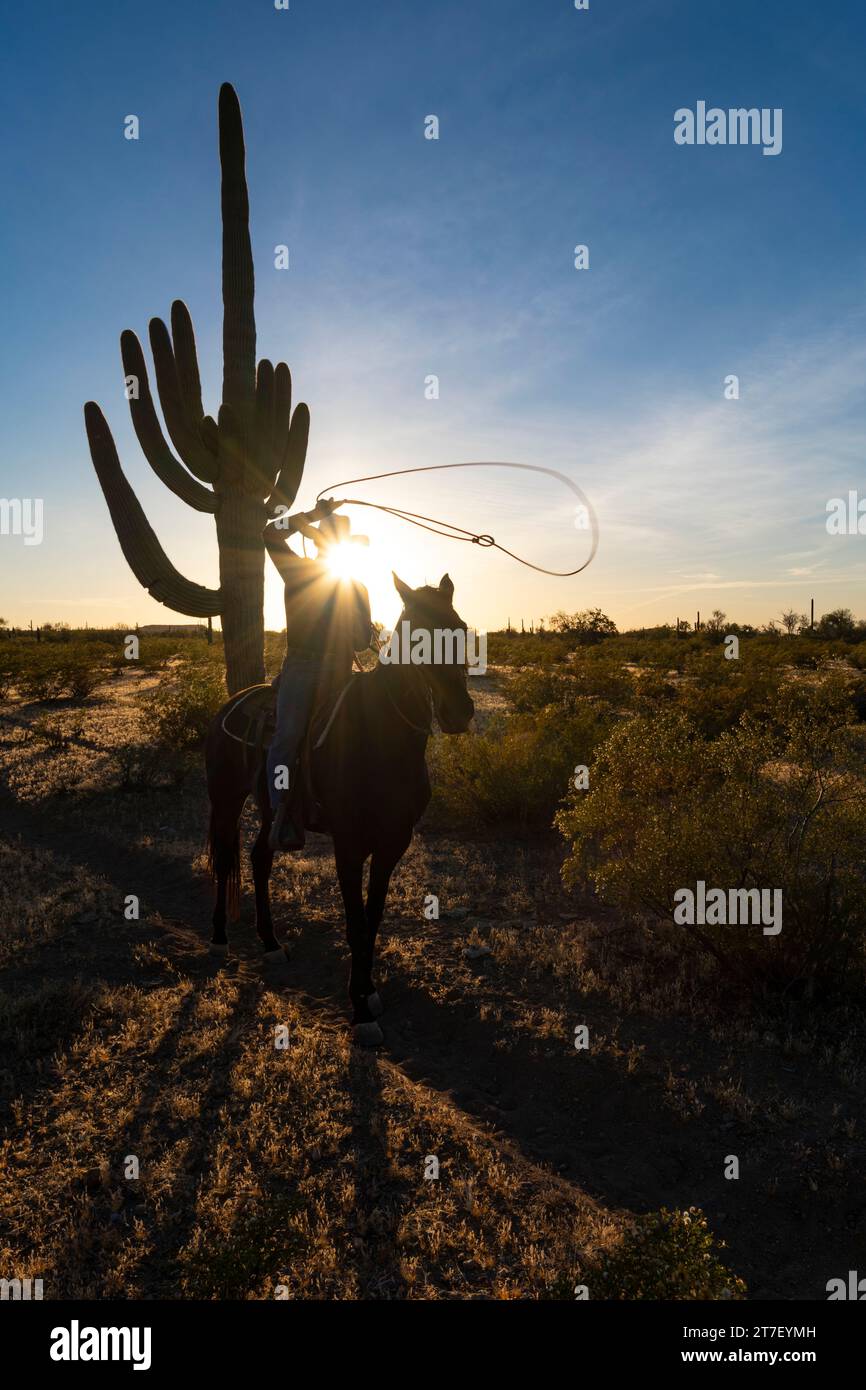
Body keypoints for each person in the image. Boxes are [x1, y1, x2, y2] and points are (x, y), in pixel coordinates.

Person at [263, 500, 372, 851]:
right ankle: (282, 814)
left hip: (341, 667)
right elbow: (270, 534)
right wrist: (311, 515)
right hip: (304, 667)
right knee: (289, 734)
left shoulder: (356, 586)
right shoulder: (297, 569)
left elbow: (361, 640)